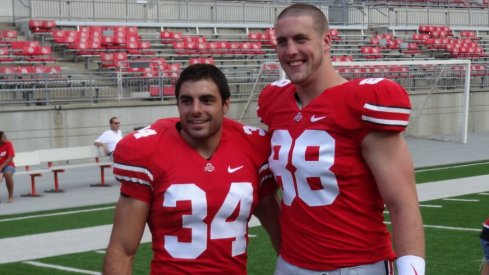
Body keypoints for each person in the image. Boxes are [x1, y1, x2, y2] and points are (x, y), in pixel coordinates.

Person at [257, 3, 425, 275]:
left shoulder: (363, 103)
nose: (291, 51)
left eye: (301, 39)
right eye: (282, 42)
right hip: (291, 264)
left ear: (326, 41)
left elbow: (402, 204)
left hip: (356, 265)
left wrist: (412, 271)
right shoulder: (274, 102)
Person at [103, 64, 280, 274]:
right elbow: (122, 249)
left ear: (225, 105)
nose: (196, 110)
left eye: (207, 100)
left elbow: (283, 237)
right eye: (187, 101)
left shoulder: (253, 147)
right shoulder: (149, 151)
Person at [0, 131, 15, 203]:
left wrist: (1, 166)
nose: (6, 138)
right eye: (4, 137)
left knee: (7, 174)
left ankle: (10, 196)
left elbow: (10, 157)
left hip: (8, 166)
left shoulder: (8, 144)